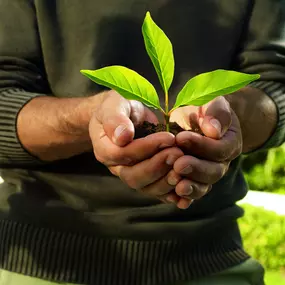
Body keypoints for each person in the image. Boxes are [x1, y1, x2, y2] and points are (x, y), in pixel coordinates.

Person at [0, 0, 284, 284]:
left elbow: (275, 82)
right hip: (42, 257)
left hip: (208, 257)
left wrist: (229, 118)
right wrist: (89, 117)